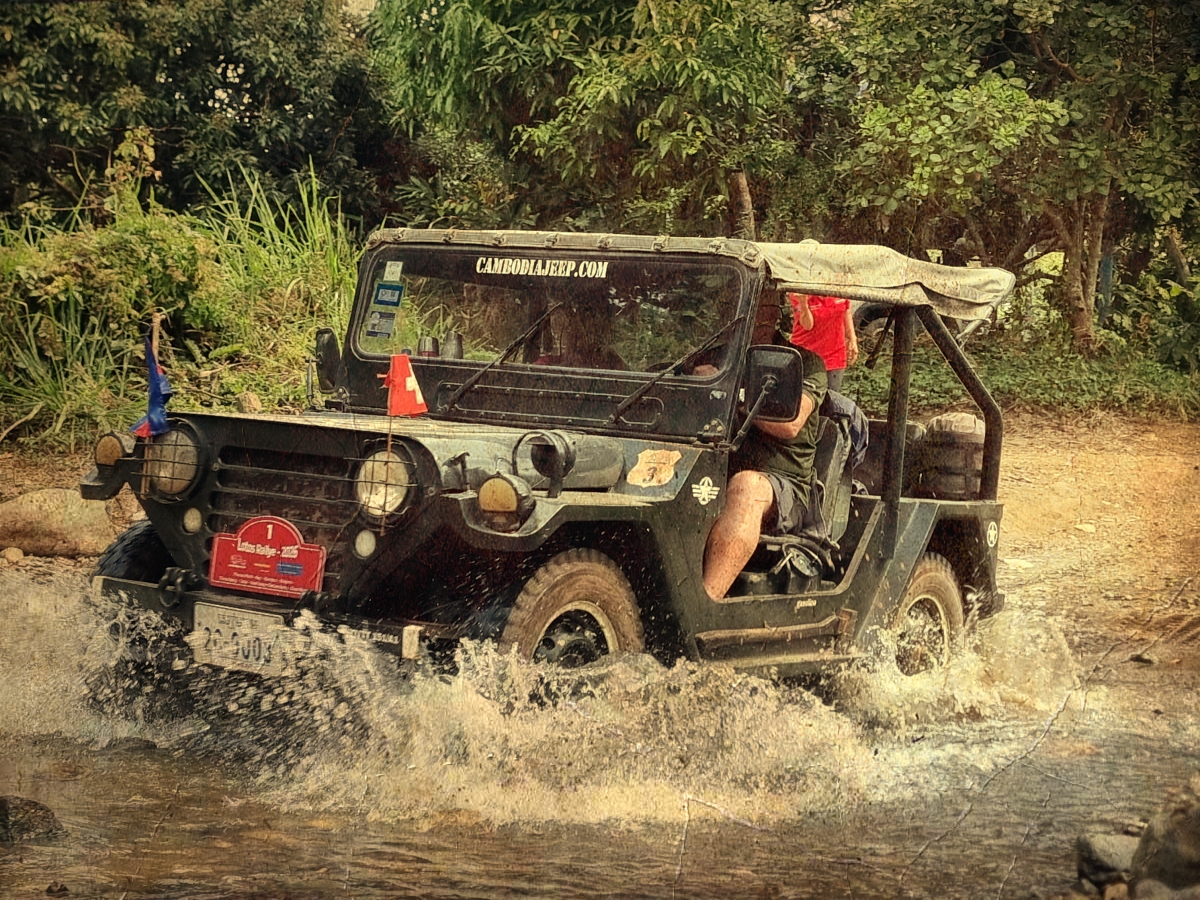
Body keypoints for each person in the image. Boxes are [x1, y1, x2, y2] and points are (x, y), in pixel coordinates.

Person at [701, 305, 827, 601]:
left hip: (784, 484)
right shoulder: (717, 356)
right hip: (714, 466)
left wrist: (730, 396)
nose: (757, 313)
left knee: (746, 488)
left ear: (774, 313)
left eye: (764, 305)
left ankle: (708, 601)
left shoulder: (804, 364)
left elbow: (792, 424)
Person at [788, 293, 858, 391]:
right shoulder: (799, 291)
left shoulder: (837, 286)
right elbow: (807, 325)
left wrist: (852, 339)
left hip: (835, 355)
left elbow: (846, 311)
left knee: (832, 400)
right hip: (807, 356)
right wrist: (804, 304)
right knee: (804, 399)